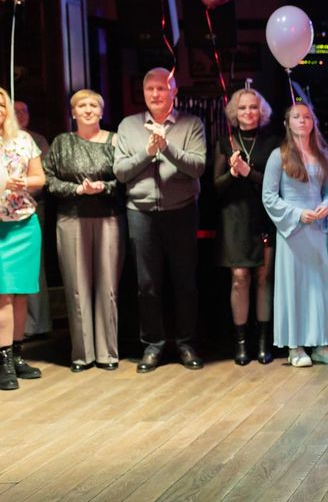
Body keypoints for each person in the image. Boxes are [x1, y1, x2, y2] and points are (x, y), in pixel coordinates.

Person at [113, 68, 207, 372]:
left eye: (162, 88)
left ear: (174, 92)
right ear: (143, 93)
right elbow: (121, 172)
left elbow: (198, 166)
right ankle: (152, 345)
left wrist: (167, 148)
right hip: (140, 212)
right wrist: (148, 151)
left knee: (185, 281)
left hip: (181, 210)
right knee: (147, 284)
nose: (155, 94)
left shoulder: (191, 124)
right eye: (150, 89)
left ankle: (186, 343)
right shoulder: (128, 126)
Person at [42, 89, 124, 372]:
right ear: (72, 112)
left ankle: (108, 353)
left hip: (109, 218)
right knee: (76, 288)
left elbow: (126, 177)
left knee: (108, 287)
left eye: (93, 105)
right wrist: (77, 189)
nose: (88, 110)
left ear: (102, 111)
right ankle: (82, 355)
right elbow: (48, 179)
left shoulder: (116, 140)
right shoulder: (61, 142)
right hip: (71, 219)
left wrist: (105, 186)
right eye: (81, 105)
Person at [262, 102, 328, 368]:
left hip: (317, 229)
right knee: (294, 286)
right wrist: (297, 214)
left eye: (307, 116)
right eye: (296, 116)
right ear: (287, 122)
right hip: (292, 230)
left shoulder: (323, 154)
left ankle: (322, 344)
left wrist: (327, 205)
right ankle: (295, 347)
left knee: (320, 286)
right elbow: (269, 196)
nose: (302, 120)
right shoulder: (278, 156)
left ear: (313, 122)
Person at [213, 85, 280, 366]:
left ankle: (263, 342)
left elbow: (276, 184)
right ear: (234, 112)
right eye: (242, 108)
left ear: (261, 111)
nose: (248, 112)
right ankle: (241, 343)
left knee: (264, 277)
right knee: (240, 278)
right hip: (234, 219)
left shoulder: (273, 141)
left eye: (253, 107)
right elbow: (215, 188)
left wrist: (248, 172)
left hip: (264, 216)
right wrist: (232, 172)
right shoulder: (225, 142)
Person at [0, 87, 46, 389]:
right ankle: (3, 360)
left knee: (20, 293)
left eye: (1, 104)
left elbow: (40, 178)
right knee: (3, 294)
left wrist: (23, 182)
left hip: (25, 224)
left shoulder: (24, 139)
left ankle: (17, 355)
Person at [12, 100, 50, 338]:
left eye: (23, 110)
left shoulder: (35, 139)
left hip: (32, 208)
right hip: (4, 211)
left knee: (33, 267)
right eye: (15, 110)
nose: (19, 114)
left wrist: (23, 187)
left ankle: (37, 324)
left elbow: (43, 175)